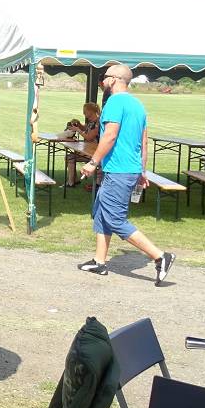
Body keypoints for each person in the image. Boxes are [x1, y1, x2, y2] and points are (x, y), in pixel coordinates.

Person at [77, 64, 175, 284]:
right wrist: (142, 171)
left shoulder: (114, 102)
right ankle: (99, 261)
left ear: (113, 79)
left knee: (114, 218)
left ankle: (160, 257)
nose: (102, 81)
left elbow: (109, 136)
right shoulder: (138, 105)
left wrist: (93, 162)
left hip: (118, 170)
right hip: (128, 169)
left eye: (105, 77)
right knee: (101, 212)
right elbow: (143, 142)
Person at [65, 102, 101, 187]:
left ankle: (72, 182)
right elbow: (85, 128)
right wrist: (78, 124)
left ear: (91, 111)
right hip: (88, 150)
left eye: (85, 111)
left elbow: (89, 137)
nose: (83, 112)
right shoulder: (91, 122)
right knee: (69, 157)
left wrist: (78, 130)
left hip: (94, 152)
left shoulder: (98, 123)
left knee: (70, 157)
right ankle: (73, 180)